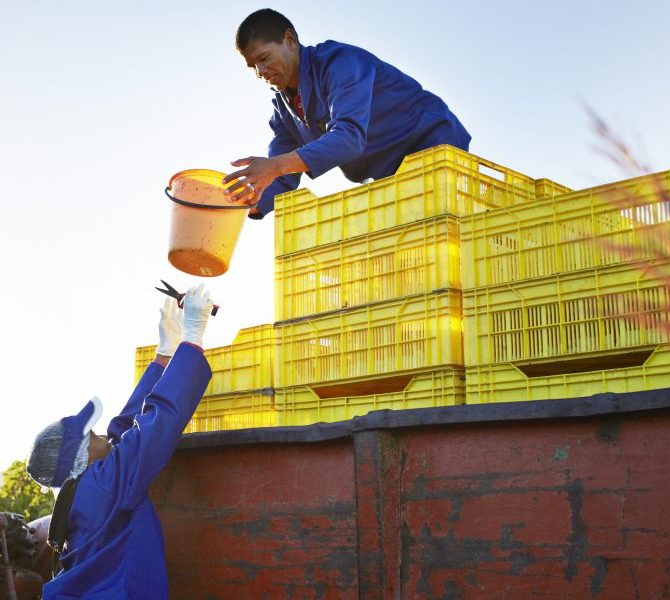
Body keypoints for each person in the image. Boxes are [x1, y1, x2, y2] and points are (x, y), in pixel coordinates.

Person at [25, 285, 215, 599]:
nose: (104, 436)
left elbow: (123, 428)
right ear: (82, 457)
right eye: (93, 435)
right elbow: (157, 424)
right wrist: (192, 338)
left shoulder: (80, 489)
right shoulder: (105, 484)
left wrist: (164, 355)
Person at [223, 8, 471, 219]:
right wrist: (240, 205)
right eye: (252, 66)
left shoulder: (338, 63)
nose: (260, 71)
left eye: (264, 58)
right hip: (387, 176)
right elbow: (280, 177)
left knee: (440, 236)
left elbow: (349, 137)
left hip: (432, 144)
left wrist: (275, 166)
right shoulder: (283, 112)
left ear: (290, 40)